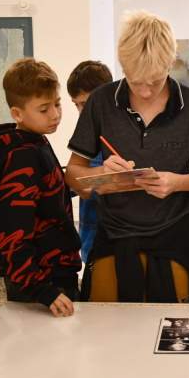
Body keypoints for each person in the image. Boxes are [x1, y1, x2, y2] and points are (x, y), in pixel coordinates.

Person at [65, 11, 189, 303]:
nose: (145, 91)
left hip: (173, 238)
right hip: (112, 237)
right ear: (122, 66)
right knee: (105, 325)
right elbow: (73, 174)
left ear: (170, 64)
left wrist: (177, 183)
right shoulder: (101, 102)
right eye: (135, 81)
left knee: (173, 325)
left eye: (155, 81)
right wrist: (101, 176)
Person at [0, 58, 82, 317]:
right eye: (43, 109)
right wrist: (43, 290)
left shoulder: (35, 141)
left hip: (54, 274)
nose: (55, 114)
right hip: (41, 284)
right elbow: (13, 231)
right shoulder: (22, 156)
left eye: (57, 104)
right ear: (17, 113)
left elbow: (43, 199)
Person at [66, 60, 113, 263]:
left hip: (114, 243)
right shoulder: (85, 136)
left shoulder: (122, 135)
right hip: (89, 244)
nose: (81, 111)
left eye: (86, 104)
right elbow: (80, 184)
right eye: (76, 104)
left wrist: (88, 180)